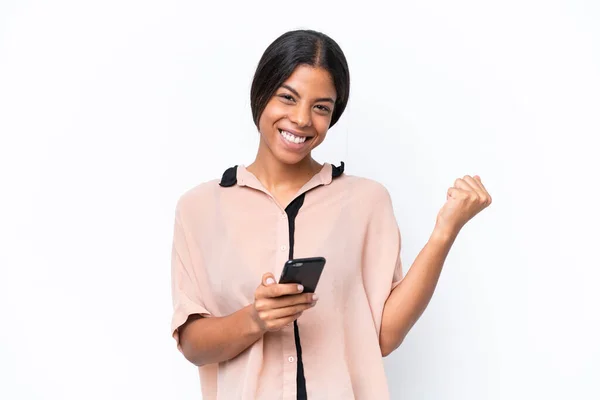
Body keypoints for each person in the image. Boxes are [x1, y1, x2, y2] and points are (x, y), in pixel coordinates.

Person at [170, 29, 492, 400]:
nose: (302, 119)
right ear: (260, 94)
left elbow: (384, 337)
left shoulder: (367, 201)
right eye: (287, 98)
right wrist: (255, 319)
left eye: (321, 107)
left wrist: (444, 232)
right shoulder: (199, 207)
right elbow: (193, 344)